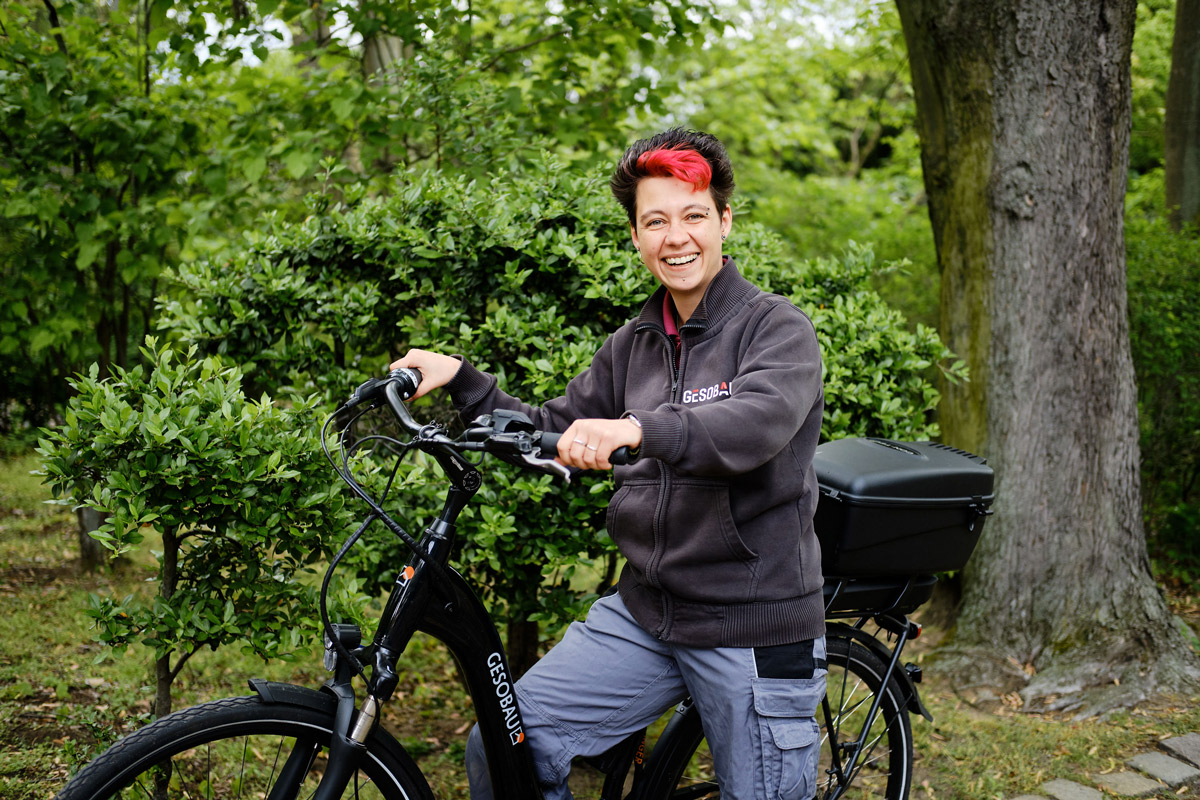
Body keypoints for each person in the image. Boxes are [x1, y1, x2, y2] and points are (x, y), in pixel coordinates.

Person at [390, 128, 826, 800]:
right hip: (648, 613)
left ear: (724, 221)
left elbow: (754, 425)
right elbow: (551, 429)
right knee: (505, 746)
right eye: (656, 221)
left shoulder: (776, 329)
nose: (675, 237)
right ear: (635, 236)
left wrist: (636, 429)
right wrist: (461, 379)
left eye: (693, 216)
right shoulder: (633, 345)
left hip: (752, 624)